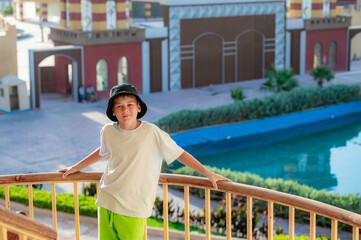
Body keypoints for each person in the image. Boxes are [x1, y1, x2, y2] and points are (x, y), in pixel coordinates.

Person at [58, 83, 231, 239]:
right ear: (113, 111)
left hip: (133, 207)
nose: (125, 109)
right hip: (106, 201)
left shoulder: (152, 132)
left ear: (138, 107)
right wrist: (76, 167)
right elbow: (103, 151)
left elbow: (179, 153)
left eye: (129, 104)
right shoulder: (108, 131)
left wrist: (208, 174)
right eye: (119, 106)